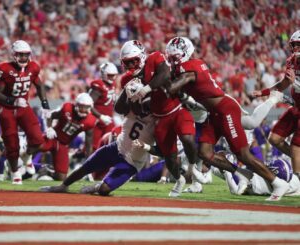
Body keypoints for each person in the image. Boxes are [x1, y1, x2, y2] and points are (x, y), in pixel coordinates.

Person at [166, 36, 289, 201]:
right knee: (204, 152)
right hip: (214, 113)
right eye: (171, 58)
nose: (173, 61)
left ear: (186, 53)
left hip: (225, 109)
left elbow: (175, 86)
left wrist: (154, 88)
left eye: (176, 57)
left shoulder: (191, 66)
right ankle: (241, 173)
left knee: (243, 154)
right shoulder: (184, 67)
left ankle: (278, 183)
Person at [40, 80, 156, 195]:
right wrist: (125, 90)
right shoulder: (131, 110)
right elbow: (118, 108)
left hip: (132, 162)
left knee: (104, 190)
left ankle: (97, 186)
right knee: (85, 167)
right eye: (143, 104)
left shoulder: (157, 122)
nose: (143, 108)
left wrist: (146, 147)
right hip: (117, 147)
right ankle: (63, 186)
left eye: (147, 107)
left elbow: (161, 150)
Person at [120, 40, 197, 197]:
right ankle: (179, 179)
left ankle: (194, 169)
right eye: (127, 63)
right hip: (159, 118)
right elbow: (121, 108)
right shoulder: (128, 80)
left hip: (176, 109)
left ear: (141, 56)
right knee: (169, 158)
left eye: (134, 60)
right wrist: (130, 97)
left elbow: (164, 74)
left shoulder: (155, 57)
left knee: (187, 139)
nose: (131, 66)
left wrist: (146, 89)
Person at [0, 40, 50, 184]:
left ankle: (26, 155)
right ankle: (15, 171)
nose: (24, 58)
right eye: (20, 55)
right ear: (14, 55)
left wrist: (45, 104)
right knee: (12, 144)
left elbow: (39, 85)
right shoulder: (4, 69)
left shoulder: (33, 67)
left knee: (38, 139)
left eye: (26, 55)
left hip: (23, 107)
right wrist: (12, 100)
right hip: (6, 109)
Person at [253, 30, 300, 182]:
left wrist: (296, 84)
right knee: (275, 139)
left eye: (298, 45)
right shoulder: (291, 61)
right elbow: (283, 84)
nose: (296, 49)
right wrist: (264, 92)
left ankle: (297, 180)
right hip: (297, 107)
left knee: (296, 146)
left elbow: (293, 84)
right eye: (294, 45)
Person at [36, 93, 96, 180]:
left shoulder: (90, 121)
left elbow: (88, 145)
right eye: (81, 106)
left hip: (63, 144)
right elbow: (50, 115)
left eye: (86, 107)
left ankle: (46, 170)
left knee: (61, 177)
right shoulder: (67, 109)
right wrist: (49, 128)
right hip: (53, 137)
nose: (83, 110)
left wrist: (89, 162)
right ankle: (22, 165)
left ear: (90, 107)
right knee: (35, 146)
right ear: (76, 104)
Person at [89, 62, 118, 150]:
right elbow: (88, 105)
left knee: (110, 144)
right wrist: (100, 116)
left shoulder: (112, 85)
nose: (113, 78)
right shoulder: (98, 85)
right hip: (97, 120)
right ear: (104, 74)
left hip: (108, 119)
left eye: (114, 75)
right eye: (110, 75)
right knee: (95, 146)